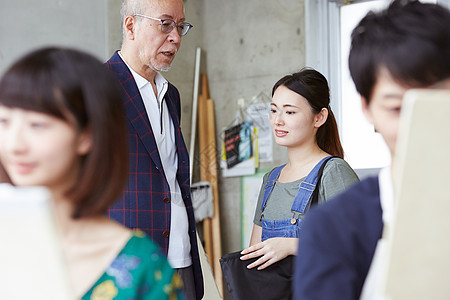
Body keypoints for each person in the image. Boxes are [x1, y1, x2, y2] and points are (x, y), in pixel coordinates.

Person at [293, 1, 450, 299]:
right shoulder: (333, 228)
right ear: (367, 108)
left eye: (437, 102)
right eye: (397, 108)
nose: (417, 123)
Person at [0, 47, 184, 299]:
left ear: (86, 135)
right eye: (4, 122)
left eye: (37, 125)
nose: (14, 144)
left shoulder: (141, 265)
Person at [105, 0, 203, 299]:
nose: (175, 37)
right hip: (128, 262)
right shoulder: (98, 89)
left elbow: (170, 176)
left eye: (180, 26)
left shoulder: (171, 95)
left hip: (181, 255)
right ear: (131, 25)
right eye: (164, 24)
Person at [240, 68, 359, 270]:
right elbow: (255, 256)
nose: (278, 120)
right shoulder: (271, 180)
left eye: (290, 112)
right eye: (274, 110)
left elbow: (358, 244)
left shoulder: (333, 172)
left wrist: (291, 245)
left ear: (319, 118)